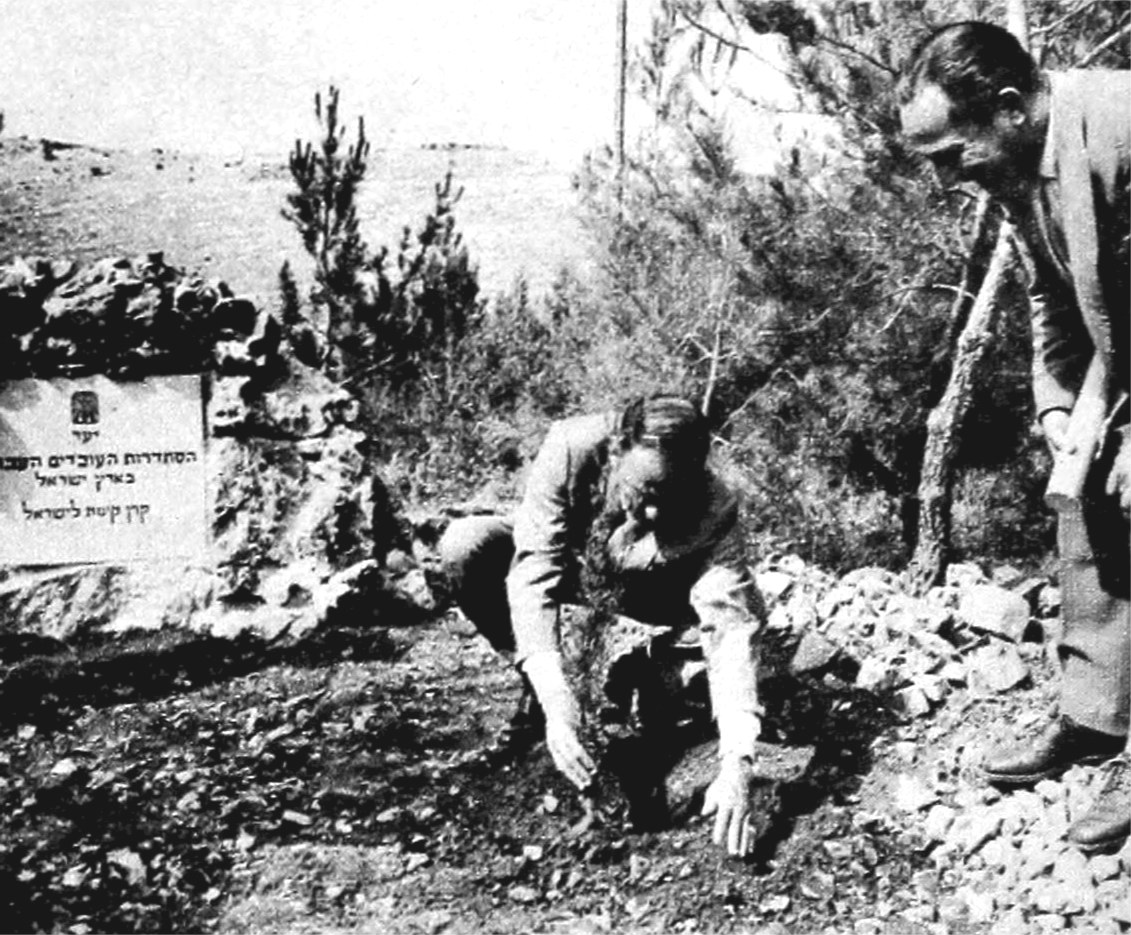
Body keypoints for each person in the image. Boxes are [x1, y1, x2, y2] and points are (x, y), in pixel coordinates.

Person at [897, 21, 1130, 852]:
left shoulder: (1121, 124)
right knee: (1089, 494)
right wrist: (1062, 409)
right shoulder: (1017, 172)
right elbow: (1053, 300)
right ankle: (1095, 716)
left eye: (947, 154)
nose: (941, 178)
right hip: (1119, 365)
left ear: (1006, 107)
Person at [438, 395, 765, 857]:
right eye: (645, 491)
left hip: (659, 591)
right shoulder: (570, 448)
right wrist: (554, 695)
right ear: (616, 451)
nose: (652, 514)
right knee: (466, 544)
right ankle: (538, 700)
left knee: (697, 676)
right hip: (579, 569)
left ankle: (660, 677)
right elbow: (534, 572)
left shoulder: (715, 506)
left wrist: (738, 763)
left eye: (669, 498)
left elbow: (730, 628)